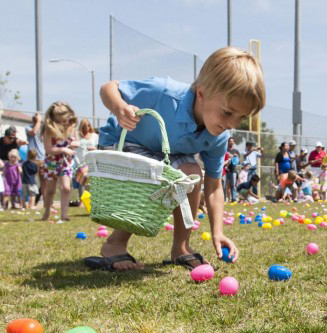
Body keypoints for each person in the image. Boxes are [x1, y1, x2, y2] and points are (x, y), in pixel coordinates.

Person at [88, 47, 265, 271]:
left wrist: (218, 232)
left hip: (162, 154)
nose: (231, 124)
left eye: (240, 118)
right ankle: (115, 244)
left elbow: (213, 186)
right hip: (126, 142)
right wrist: (119, 107)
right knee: (150, 177)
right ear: (201, 94)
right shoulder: (162, 92)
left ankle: (181, 247)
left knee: (192, 174)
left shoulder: (218, 136)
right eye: (228, 112)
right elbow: (108, 88)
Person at [41, 102, 80, 221]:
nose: (64, 123)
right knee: (51, 190)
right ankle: (47, 210)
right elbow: (48, 149)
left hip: (65, 162)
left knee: (66, 188)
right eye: (61, 121)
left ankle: (64, 214)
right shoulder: (49, 131)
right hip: (51, 162)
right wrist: (63, 149)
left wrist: (70, 145)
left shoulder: (71, 128)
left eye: (66, 120)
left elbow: (78, 142)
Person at [26, 113, 46, 204]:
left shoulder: (43, 129)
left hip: (42, 158)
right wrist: (38, 121)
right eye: (35, 119)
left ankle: (47, 202)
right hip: (32, 159)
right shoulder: (28, 128)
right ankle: (31, 202)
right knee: (31, 180)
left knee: (44, 181)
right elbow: (33, 132)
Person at [223, 137, 240, 202]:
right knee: (224, 185)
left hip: (233, 171)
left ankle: (234, 199)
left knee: (233, 186)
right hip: (225, 170)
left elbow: (238, 162)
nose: (231, 142)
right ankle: (224, 199)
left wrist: (236, 156)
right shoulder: (225, 150)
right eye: (230, 141)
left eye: (232, 141)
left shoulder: (236, 151)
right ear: (228, 142)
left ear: (234, 142)